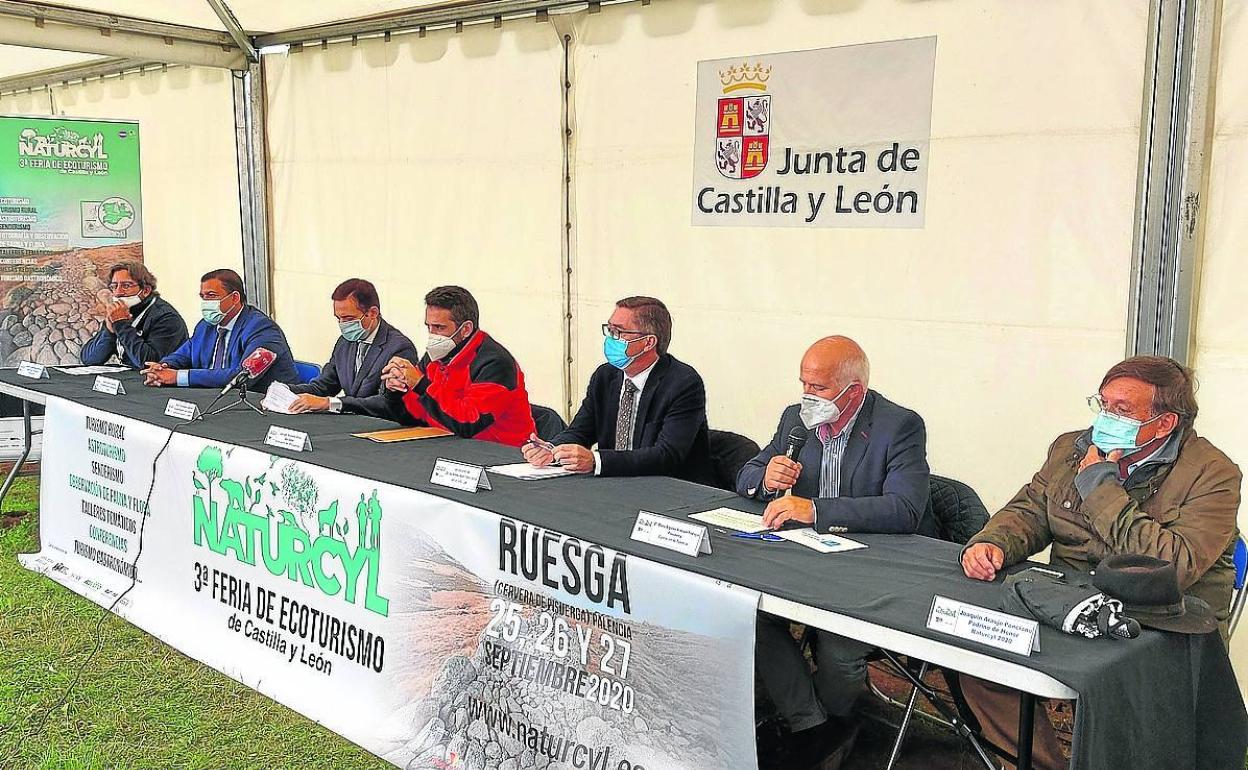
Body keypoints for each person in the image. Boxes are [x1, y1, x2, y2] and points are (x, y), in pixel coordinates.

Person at [959, 355, 1241, 770]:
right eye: (1103, 404)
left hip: (1159, 624)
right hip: (1069, 604)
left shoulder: (1213, 474)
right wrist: (992, 541)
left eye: (1122, 410)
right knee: (980, 663)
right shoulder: (1069, 448)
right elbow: (1031, 509)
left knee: (1111, 694)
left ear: (1165, 424)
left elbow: (1174, 567)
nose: (1106, 418)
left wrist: (1101, 488)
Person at [736, 335, 934, 769]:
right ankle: (815, 726)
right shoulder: (795, 419)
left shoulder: (899, 426)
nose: (808, 396)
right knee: (745, 610)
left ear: (854, 392)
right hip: (800, 559)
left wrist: (816, 510)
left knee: (840, 649)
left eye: (819, 388)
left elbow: (904, 509)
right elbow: (746, 475)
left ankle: (834, 719)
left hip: (870, 563)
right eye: (803, 384)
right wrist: (767, 479)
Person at [521, 296, 714, 484]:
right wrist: (552, 449)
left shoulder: (683, 383)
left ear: (648, 342)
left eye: (619, 332)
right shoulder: (606, 376)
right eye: (609, 330)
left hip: (670, 489)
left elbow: (667, 455)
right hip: (613, 485)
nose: (610, 339)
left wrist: (596, 461)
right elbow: (580, 431)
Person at [381, 285, 534, 446]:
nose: (432, 334)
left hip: (503, 454)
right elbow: (415, 416)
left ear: (466, 329)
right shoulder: (435, 355)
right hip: (447, 446)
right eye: (429, 327)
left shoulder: (496, 363)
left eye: (439, 327)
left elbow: (468, 423)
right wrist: (397, 391)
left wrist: (420, 384)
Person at [142, 268, 297, 390]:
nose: (205, 302)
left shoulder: (261, 328)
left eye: (211, 295)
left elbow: (242, 376)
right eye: (203, 296)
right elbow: (183, 355)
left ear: (235, 298)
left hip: (261, 404)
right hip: (214, 400)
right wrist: (163, 368)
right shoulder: (205, 326)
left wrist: (179, 377)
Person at [286, 278, 418, 419]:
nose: (343, 325)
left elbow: (385, 403)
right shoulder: (345, 342)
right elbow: (324, 386)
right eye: (339, 319)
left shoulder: (399, 348)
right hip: (351, 423)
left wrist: (330, 403)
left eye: (348, 319)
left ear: (372, 313)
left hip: (382, 426)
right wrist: (286, 390)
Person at [81, 262, 187, 368]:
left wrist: (121, 325)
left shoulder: (166, 317)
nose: (118, 293)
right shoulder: (121, 312)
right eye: (114, 286)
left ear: (145, 291)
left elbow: (150, 364)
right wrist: (109, 331)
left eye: (126, 286)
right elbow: (89, 359)